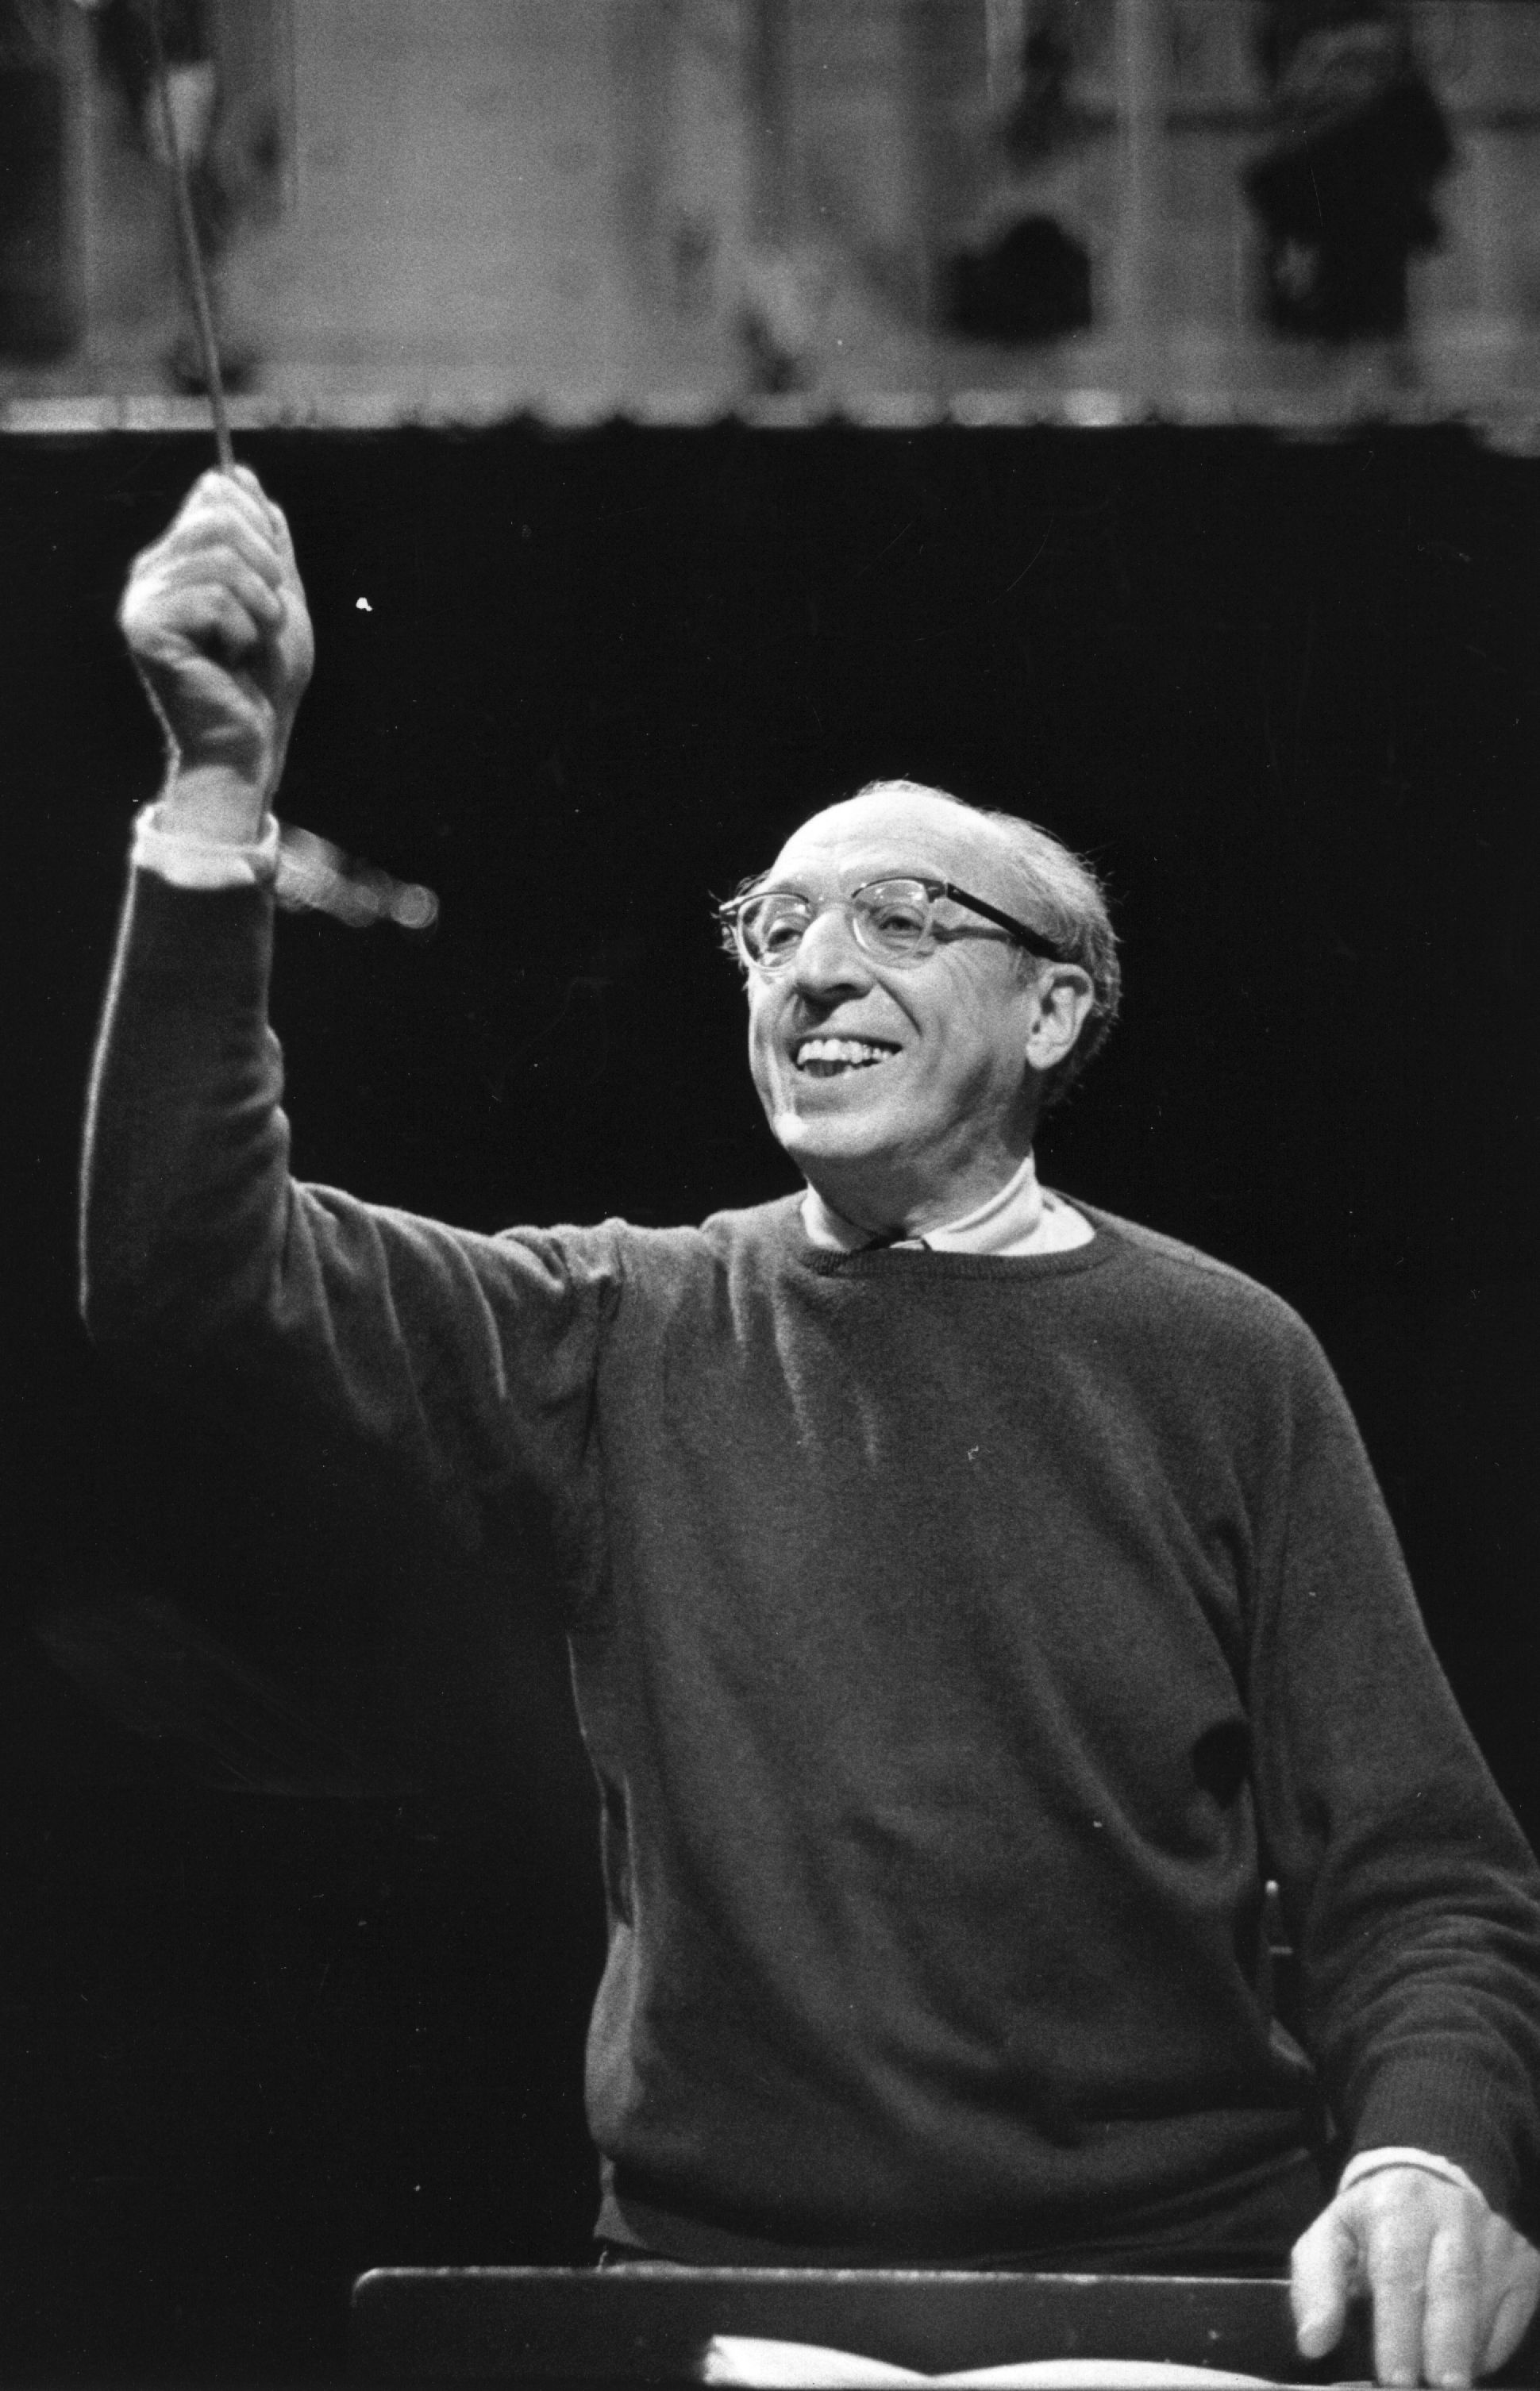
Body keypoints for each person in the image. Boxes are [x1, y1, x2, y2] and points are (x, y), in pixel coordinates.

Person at [83, 467, 1540, 2389]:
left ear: (1052, 1011)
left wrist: (1431, 2150)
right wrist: (216, 791)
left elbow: (1421, 1877)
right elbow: (186, 1264)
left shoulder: (1225, 1357)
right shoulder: (626, 1321)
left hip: (1167, 2298)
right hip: (729, 2300)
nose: (814, 966)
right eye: (771, 929)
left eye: (899, 916)